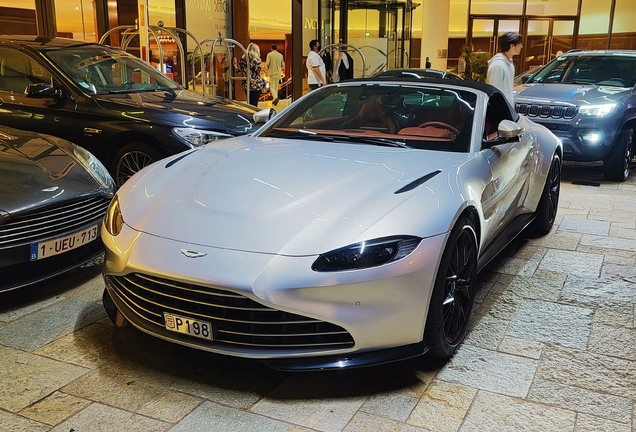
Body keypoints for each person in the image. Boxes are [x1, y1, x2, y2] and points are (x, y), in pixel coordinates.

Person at [487, 32, 523, 105]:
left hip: (507, 109)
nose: (521, 46)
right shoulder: (498, 66)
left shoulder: (509, 63)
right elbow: (494, 94)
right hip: (499, 112)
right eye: (519, 44)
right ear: (512, 46)